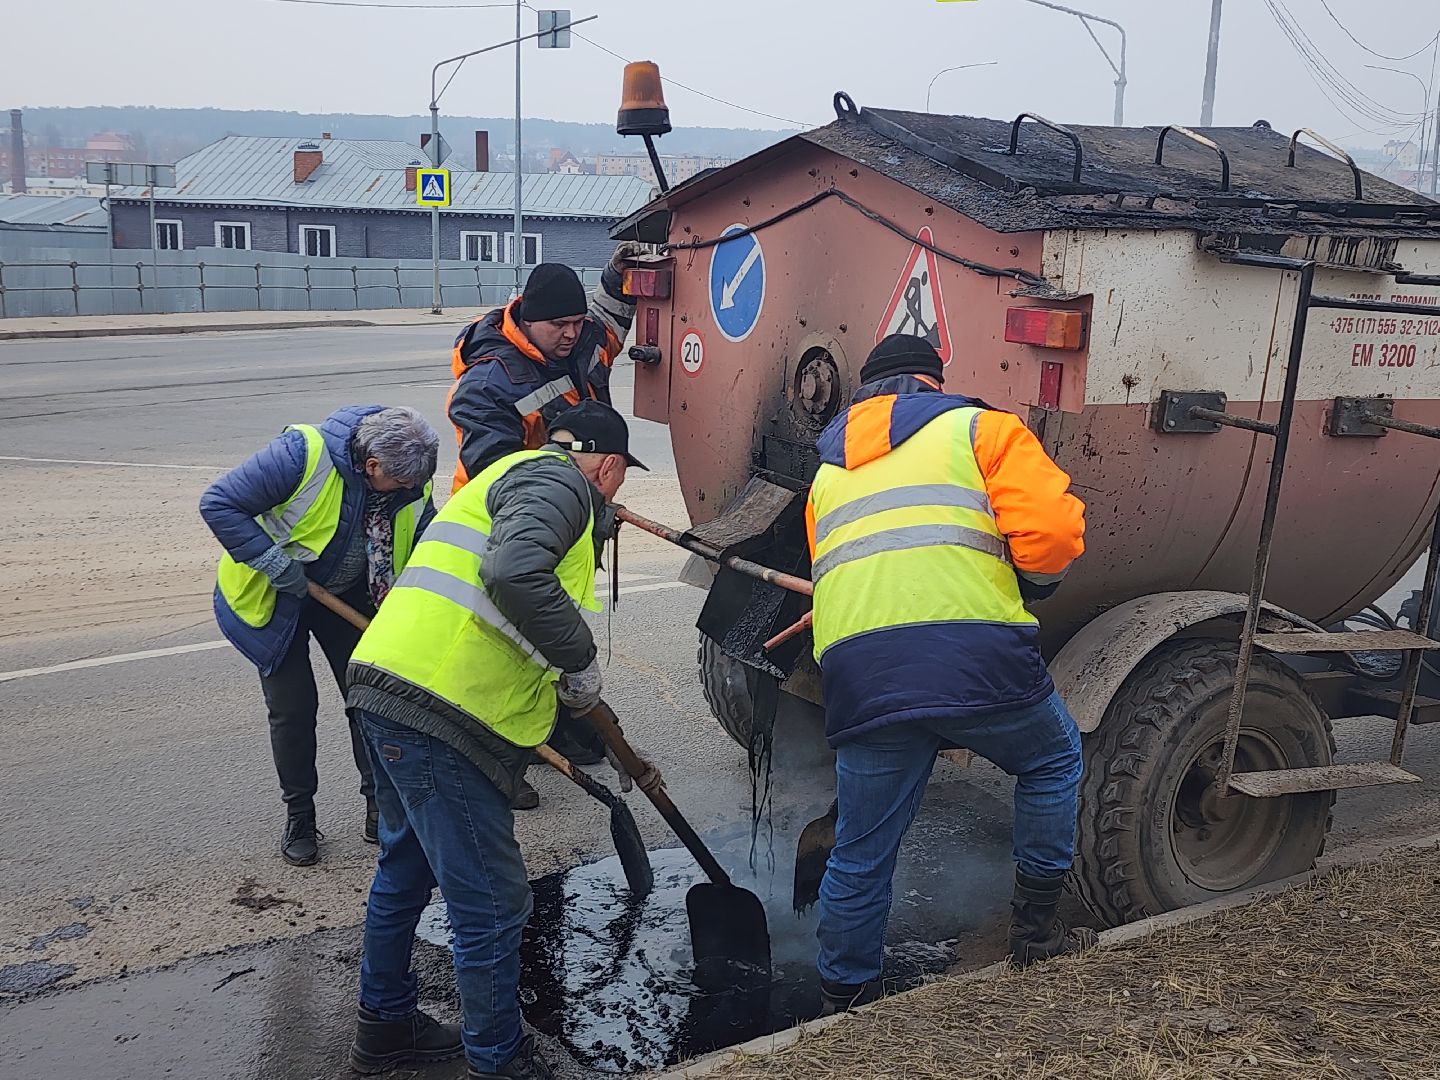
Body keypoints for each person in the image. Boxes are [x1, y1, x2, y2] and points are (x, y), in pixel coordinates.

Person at [344, 400, 644, 1080]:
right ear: (610, 466)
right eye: (622, 479)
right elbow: (512, 576)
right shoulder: (559, 482)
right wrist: (578, 656)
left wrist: (565, 691)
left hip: (390, 686)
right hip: (440, 709)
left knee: (406, 868)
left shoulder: (506, 474)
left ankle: (384, 1026)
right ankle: (498, 1061)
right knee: (492, 900)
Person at [804, 335, 1092, 1014]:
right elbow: (1051, 535)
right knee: (1052, 761)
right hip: (974, 658)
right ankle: (1036, 930)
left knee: (862, 848)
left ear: (864, 395)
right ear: (933, 383)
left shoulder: (827, 473)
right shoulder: (983, 429)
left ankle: (844, 996)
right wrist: (1039, 583)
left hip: (861, 672)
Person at [446, 242, 645, 808]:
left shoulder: (579, 339)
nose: (571, 333)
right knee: (510, 641)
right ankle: (500, 761)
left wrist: (616, 275)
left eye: (576, 322)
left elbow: (608, 326)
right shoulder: (489, 384)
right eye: (559, 324)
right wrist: (572, 493)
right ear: (526, 319)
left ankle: (556, 725)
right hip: (509, 524)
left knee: (557, 623)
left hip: (570, 514)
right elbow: (498, 476)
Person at [200, 406, 438, 867]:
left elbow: (424, 533)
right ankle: (301, 816)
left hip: (348, 594)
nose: (410, 490)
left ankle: (380, 806)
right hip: (275, 595)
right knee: (293, 709)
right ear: (371, 466)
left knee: (368, 701)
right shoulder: (300, 455)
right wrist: (272, 563)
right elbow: (219, 504)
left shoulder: (412, 474)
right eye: (401, 483)